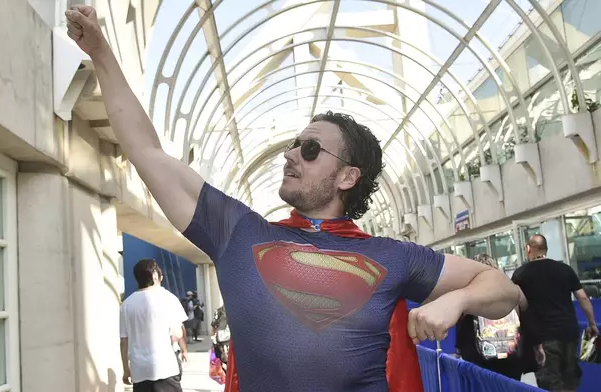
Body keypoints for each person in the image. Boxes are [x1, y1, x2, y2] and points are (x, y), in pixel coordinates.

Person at [65, 6, 521, 391]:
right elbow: (145, 152)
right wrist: (102, 54)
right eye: (291, 144)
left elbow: (506, 291)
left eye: (309, 149)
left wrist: (455, 302)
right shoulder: (236, 230)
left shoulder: (391, 256)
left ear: (347, 176)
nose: (289, 155)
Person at [513, 234, 599, 391]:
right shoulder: (565, 269)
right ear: (546, 248)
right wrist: (592, 324)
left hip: (543, 337)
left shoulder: (521, 274)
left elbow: (519, 305)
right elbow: (583, 298)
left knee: (551, 380)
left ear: (528, 249)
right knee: (570, 376)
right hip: (569, 332)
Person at [120, 259, 188, 392]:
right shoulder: (168, 298)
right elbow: (178, 333)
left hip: (139, 371)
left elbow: (124, 341)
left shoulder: (126, 305)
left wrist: (126, 370)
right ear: (156, 276)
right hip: (165, 369)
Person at [455, 254, 522, 380]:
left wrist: (458, 349)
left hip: (479, 357)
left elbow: (461, 326)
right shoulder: (509, 289)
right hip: (509, 354)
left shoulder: (468, 293)